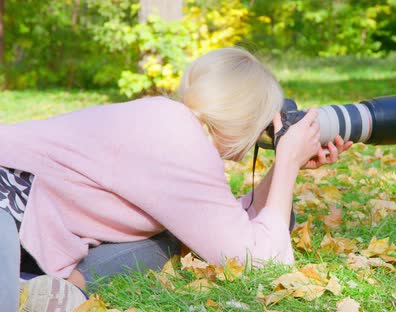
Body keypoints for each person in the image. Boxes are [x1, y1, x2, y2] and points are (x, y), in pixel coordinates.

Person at [0, 47, 352, 311]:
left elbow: (224, 230)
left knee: (173, 240)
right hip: (8, 212)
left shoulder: (173, 124)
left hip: (18, 212)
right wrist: (288, 161)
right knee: (170, 243)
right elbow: (259, 263)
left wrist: (283, 169)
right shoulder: (181, 142)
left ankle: (46, 290)